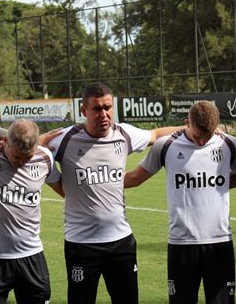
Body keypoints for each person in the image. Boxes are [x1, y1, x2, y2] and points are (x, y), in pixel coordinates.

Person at [48, 82, 181, 304]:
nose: (104, 114)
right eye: (97, 109)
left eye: (108, 107)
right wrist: (41, 141)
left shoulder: (123, 133)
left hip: (121, 243)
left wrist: (193, 129)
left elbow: (156, 134)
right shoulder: (64, 139)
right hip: (81, 245)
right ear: (84, 111)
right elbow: (23, 145)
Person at [124, 100, 236, 304]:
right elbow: (135, 178)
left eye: (207, 137)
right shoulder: (165, 146)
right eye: (198, 137)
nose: (202, 143)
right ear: (186, 123)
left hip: (220, 243)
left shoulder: (228, 144)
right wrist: (101, 182)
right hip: (181, 244)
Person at [0, 118, 64, 303]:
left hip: (31, 256)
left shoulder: (45, 158)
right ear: (5, 142)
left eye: (27, 158)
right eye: (17, 157)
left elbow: (66, 191)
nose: (21, 163)